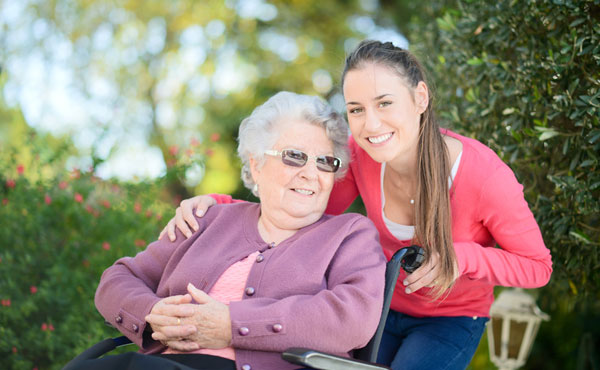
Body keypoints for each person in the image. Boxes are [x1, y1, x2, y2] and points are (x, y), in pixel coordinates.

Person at [160, 40, 553, 370]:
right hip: (375, 309)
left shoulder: (484, 175)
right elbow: (301, 204)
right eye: (356, 110)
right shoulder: (360, 155)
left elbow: (538, 267)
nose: (370, 124)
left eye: (384, 103)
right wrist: (217, 204)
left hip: (449, 320)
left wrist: (458, 257)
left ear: (420, 98)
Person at [87, 91, 387, 370]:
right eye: (294, 156)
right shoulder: (207, 219)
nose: (310, 173)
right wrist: (151, 314)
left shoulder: (349, 235)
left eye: (325, 162)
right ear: (256, 165)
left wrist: (233, 324)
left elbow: (352, 319)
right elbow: (118, 278)